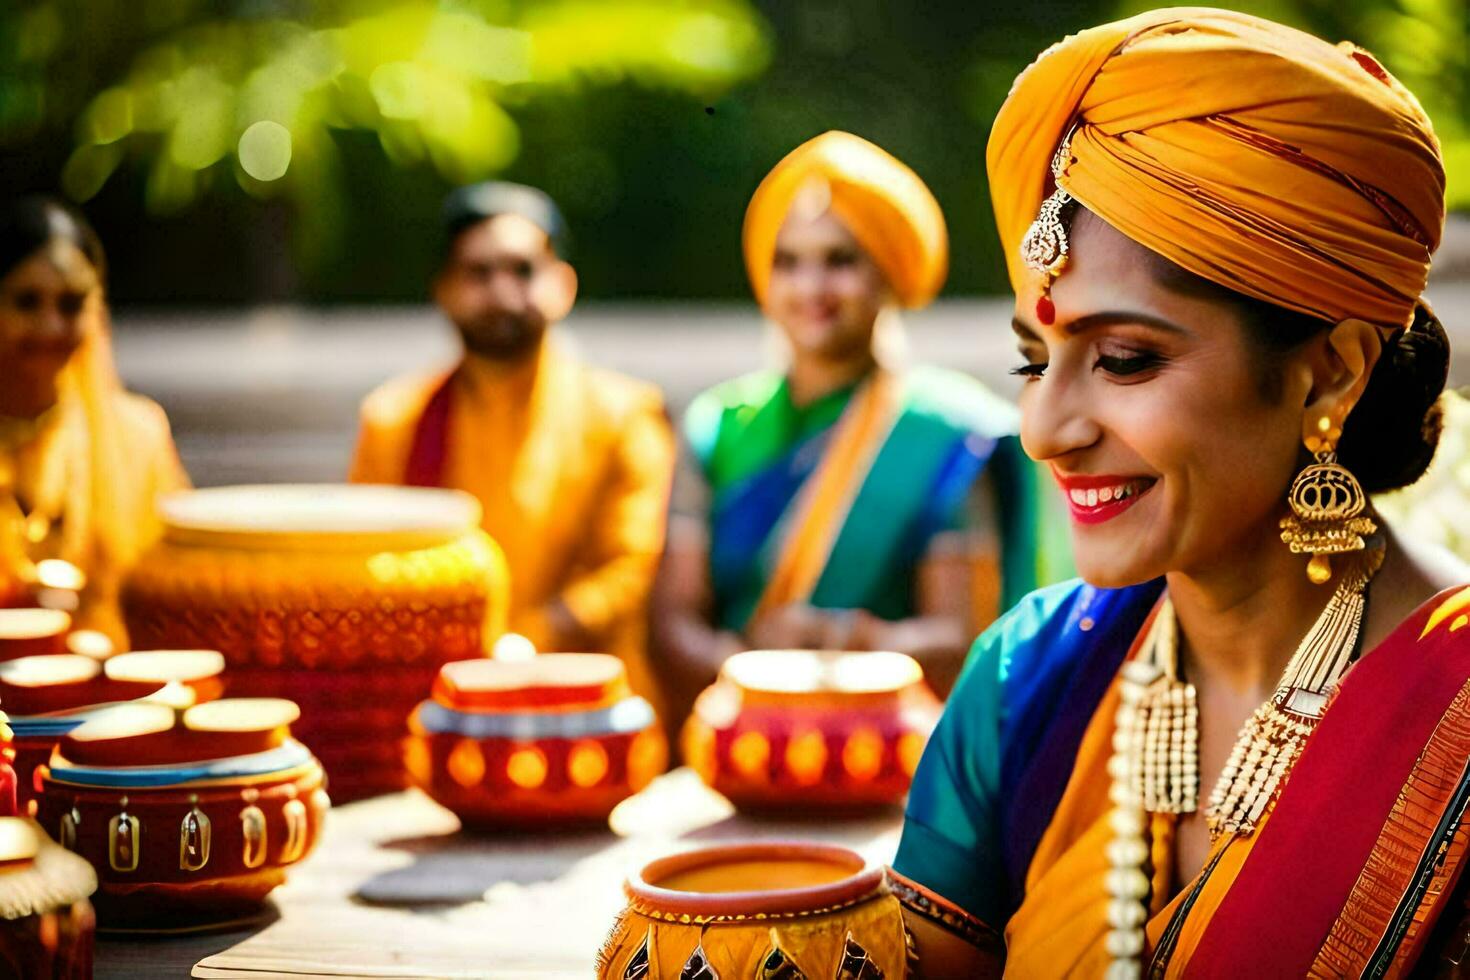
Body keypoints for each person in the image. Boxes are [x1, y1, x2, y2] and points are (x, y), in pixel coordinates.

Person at [889, 9, 1470, 977]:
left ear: (1328, 373)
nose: (1045, 429)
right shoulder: (1026, 685)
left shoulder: (1452, 715)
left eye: (1123, 360)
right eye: (1034, 362)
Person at [652, 131, 1067, 720]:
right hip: (733, 742)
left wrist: (836, 637)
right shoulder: (718, 426)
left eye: (840, 260)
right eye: (788, 262)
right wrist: (750, 680)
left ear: (889, 273)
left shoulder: (946, 434)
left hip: (892, 752)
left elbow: (965, 640)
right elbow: (673, 626)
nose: (811, 288)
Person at [350, 183, 675, 704]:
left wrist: (520, 644)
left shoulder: (625, 414)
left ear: (563, 285)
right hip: (433, 701)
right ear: (444, 289)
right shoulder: (395, 421)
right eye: (479, 273)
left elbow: (631, 571)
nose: (502, 292)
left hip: (589, 705)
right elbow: (363, 571)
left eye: (522, 270)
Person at [0, 196, 189, 646]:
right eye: (28, 302)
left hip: (112, 702)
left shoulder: (136, 436)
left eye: (70, 304)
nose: (50, 326)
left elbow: (180, 585)